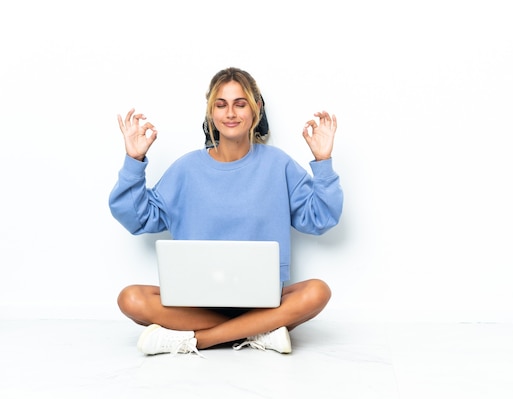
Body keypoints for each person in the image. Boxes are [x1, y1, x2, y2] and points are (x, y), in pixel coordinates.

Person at [109, 67, 343, 356]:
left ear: (255, 109)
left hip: (262, 301)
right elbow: (136, 217)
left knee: (317, 291)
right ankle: (259, 331)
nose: (230, 113)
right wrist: (134, 160)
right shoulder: (186, 169)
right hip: (194, 303)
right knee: (130, 298)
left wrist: (323, 162)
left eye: (240, 103)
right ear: (211, 113)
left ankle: (197, 340)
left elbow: (321, 218)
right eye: (221, 104)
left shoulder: (278, 164)